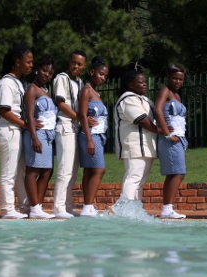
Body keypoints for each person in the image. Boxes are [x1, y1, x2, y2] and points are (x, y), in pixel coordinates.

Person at [114, 70, 171, 202]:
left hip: (146, 146)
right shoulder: (128, 99)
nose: (145, 84)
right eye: (141, 82)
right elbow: (141, 120)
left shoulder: (145, 100)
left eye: (145, 82)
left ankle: (135, 208)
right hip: (134, 145)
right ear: (131, 84)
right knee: (133, 177)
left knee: (140, 181)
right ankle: (125, 208)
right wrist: (160, 130)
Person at [0, 45, 33, 219]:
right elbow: (4, 110)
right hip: (8, 129)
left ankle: (24, 207)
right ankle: (7, 209)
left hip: (17, 130)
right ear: (17, 62)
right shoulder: (6, 82)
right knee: (9, 171)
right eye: (28, 62)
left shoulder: (20, 82)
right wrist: (26, 125)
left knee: (19, 171)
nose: (31, 65)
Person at [22, 54, 58, 219]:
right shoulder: (32, 89)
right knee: (33, 170)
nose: (47, 75)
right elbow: (29, 115)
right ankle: (34, 208)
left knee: (47, 171)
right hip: (37, 134)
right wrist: (34, 138)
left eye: (50, 73)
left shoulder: (46, 92)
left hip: (49, 135)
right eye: (44, 70)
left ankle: (38, 206)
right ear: (37, 69)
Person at [53, 50, 87, 219]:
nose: (76, 66)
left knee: (73, 172)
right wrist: (79, 117)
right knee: (64, 169)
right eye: (73, 62)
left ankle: (67, 206)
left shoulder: (80, 82)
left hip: (76, 128)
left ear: (84, 66)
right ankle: (58, 207)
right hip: (65, 125)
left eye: (79, 64)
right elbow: (60, 103)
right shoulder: (62, 78)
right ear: (69, 62)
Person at [77, 56, 109, 218]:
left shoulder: (96, 93)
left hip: (98, 135)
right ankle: (88, 206)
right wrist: (89, 140)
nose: (103, 78)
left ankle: (88, 206)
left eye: (105, 76)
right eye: (100, 74)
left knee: (89, 171)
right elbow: (82, 115)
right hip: (89, 135)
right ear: (92, 72)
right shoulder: (86, 90)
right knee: (99, 170)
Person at [155, 65, 188, 219]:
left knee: (173, 173)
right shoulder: (165, 91)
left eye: (180, 79)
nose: (177, 82)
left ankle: (167, 209)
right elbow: (158, 110)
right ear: (168, 77)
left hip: (178, 138)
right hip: (169, 139)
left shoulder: (177, 96)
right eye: (175, 78)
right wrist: (167, 134)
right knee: (179, 172)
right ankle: (167, 209)